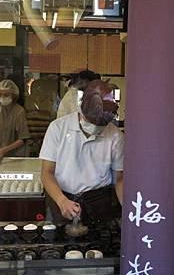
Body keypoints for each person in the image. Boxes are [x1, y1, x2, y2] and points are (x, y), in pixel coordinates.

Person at [40, 79, 124, 224]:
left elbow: (119, 179)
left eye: (100, 124)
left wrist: (129, 212)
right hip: (61, 197)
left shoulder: (115, 136)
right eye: (90, 121)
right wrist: (62, 201)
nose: (94, 127)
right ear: (81, 108)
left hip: (99, 201)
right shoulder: (58, 128)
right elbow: (47, 173)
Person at [0, 79, 30, 159]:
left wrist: (5, 150)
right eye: (0, 94)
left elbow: (23, 138)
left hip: (16, 156)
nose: (2, 97)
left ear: (13, 95)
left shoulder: (19, 112)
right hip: (0, 155)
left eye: (6, 95)